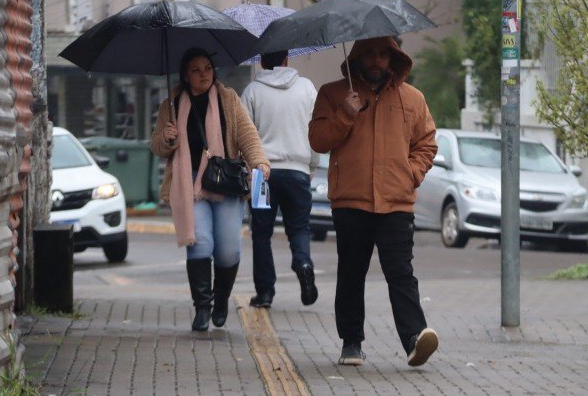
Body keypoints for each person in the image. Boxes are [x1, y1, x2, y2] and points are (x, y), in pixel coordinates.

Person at [308, 36, 439, 367]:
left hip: (396, 201)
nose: (377, 61)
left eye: (384, 55)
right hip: (350, 199)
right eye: (370, 55)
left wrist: (410, 173)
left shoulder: (413, 98)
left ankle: (414, 338)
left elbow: (426, 143)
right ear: (357, 58)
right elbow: (318, 139)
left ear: (394, 59)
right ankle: (351, 342)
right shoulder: (334, 93)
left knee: (401, 272)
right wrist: (344, 114)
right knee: (352, 272)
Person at [151, 48, 270, 332]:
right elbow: (157, 146)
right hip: (188, 181)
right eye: (196, 70)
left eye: (207, 68)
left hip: (224, 181)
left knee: (228, 250)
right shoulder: (172, 102)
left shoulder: (228, 98)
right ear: (185, 75)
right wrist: (166, 139)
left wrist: (259, 162)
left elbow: (247, 134)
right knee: (200, 242)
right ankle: (202, 307)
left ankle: (221, 300)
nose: (204, 74)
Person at [241, 50, 319, 309]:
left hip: (260, 174)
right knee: (299, 228)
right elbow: (316, 130)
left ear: (262, 61)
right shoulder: (307, 87)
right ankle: (304, 263)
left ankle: (264, 293)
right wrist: (311, 167)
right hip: (297, 171)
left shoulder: (252, 91)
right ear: (287, 59)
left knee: (261, 233)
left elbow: (242, 136)